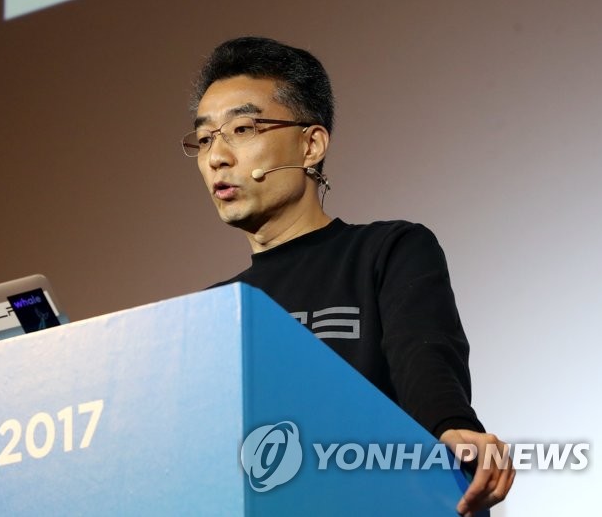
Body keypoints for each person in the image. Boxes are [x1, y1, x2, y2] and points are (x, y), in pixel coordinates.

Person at [184, 36, 513, 516]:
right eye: (205, 138)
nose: (217, 156)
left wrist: (449, 427)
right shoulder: (214, 310)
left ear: (311, 144)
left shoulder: (387, 250)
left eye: (242, 128)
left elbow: (423, 357)